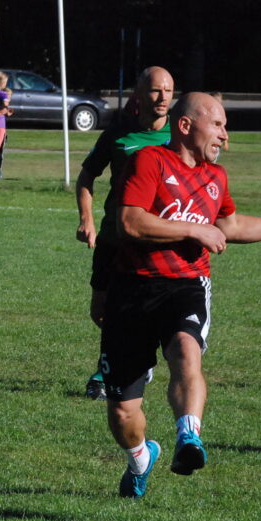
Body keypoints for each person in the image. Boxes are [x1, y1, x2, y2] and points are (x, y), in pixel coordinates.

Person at [105, 92, 261, 498]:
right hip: (131, 289)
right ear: (185, 126)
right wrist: (194, 229)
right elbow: (131, 222)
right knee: (123, 411)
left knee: (185, 349)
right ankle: (140, 457)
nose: (225, 136)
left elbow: (229, 226)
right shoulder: (150, 161)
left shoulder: (216, 177)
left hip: (186, 284)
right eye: (218, 125)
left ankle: (188, 437)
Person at [75, 66, 175, 400]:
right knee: (102, 311)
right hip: (113, 237)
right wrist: (87, 220)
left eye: (168, 91)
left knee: (141, 310)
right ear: (139, 93)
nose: (162, 98)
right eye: (155, 90)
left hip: (154, 241)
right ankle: (134, 358)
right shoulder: (118, 134)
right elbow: (86, 177)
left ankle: (109, 371)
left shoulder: (180, 133)